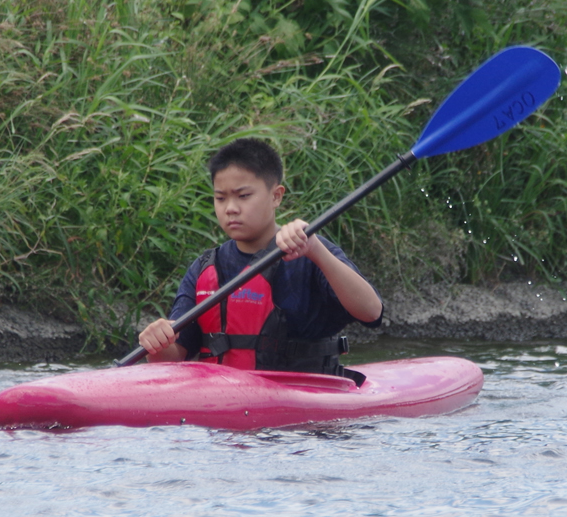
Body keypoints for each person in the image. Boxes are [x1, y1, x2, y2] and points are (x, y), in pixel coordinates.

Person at [136, 138, 383, 382]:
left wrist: (316, 251)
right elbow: (173, 359)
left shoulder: (309, 250)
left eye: (243, 196)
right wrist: (157, 344)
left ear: (276, 196)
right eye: (220, 198)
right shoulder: (204, 268)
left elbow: (372, 311)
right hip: (223, 404)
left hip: (304, 406)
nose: (230, 208)